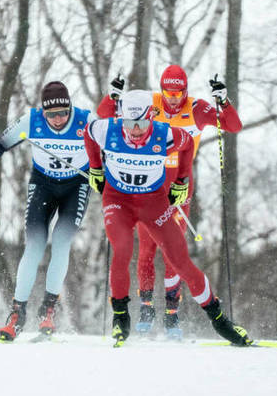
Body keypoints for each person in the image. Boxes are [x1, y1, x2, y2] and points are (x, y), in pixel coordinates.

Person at [84, 89, 252, 346]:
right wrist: (95, 167)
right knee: (122, 249)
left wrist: (182, 181)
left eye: (140, 122)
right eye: (129, 123)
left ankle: (219, 319)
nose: (135, 130)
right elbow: (88, 132)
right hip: (118, 201)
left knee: (180, 262)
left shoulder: (164, 133)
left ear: (150, 116)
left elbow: (187, 145)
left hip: (153, 202)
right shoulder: (109, 128)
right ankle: (120, 315)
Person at [0, 81, 96, 341]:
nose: (57, 119)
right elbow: (2, 141)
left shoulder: (86, 121)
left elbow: (112, 140)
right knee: (34, 245)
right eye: (51, 114)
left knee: (62, 242)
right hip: (43, 184)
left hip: (76, 184)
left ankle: (48, 309)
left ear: (70, 108)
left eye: (63, 113)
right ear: (43, 112)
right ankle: (17, 313)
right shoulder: (31, 121)